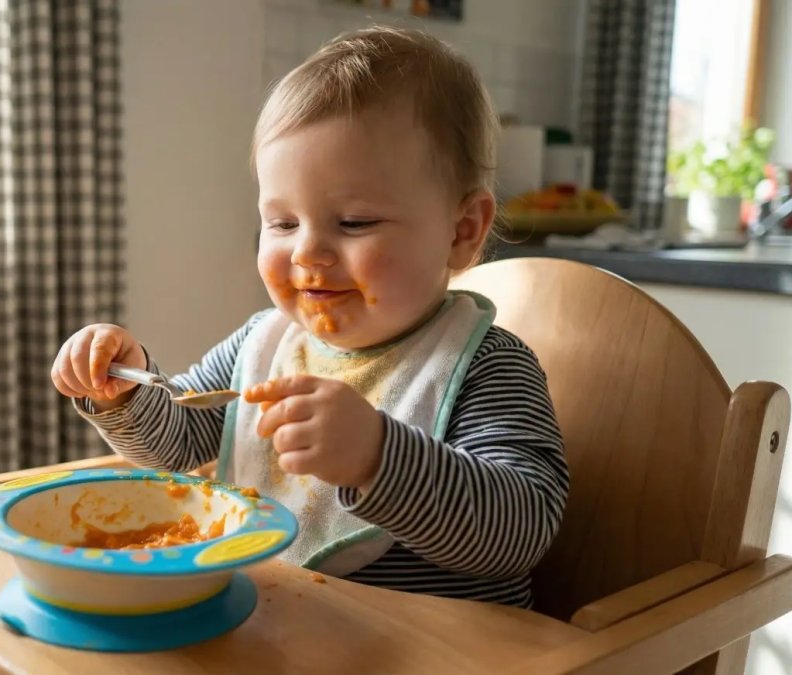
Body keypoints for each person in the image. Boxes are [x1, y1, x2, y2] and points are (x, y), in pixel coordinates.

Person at [51, 26, 568, 608]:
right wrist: (125, 388)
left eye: (353, 223)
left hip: (440, 648)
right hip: (288, 623)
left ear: (461, 230)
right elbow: (179, 440)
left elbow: (521, 532)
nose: (306, 254)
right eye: (283, 223)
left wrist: (379, 458)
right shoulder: (266, 342)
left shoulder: (483, 367)